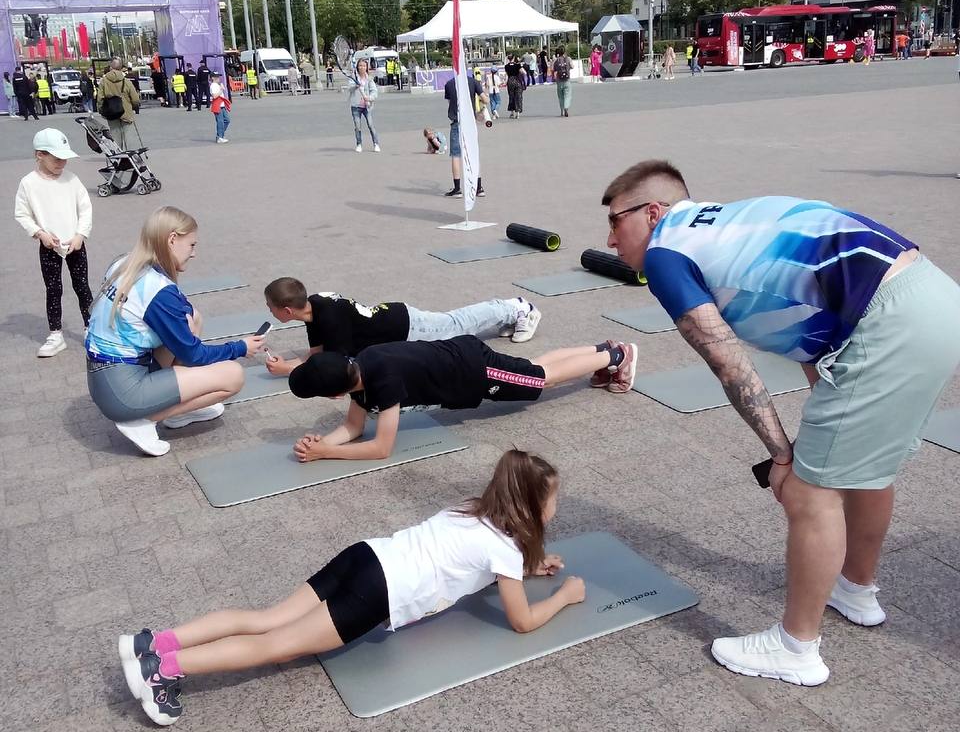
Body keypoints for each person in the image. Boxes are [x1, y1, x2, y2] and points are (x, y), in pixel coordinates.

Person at [601, 158, 960, 687]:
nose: (609, 239)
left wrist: (785, 456)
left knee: (808, 494)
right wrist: (819, 432)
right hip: (934, 298)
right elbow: (811, 323)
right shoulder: (729, 225)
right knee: (864, 470)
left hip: (889, 320)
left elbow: (727, 362)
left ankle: (796, 648)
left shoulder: (666, 253)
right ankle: (856, 591)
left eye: (615, 221)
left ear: (653, 212)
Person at [119, 448, 587, 726]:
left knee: (267, 619)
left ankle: (153, 643)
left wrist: (530, 567)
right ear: (528, 504)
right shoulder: (504, 551)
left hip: (364, 555)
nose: (556, 506)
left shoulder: (472, 509)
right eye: (553, 498)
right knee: (277, 646)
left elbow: (474, 560)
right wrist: (565, 597)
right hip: (378, 592)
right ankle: (162, 671)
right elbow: (522, 621)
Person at [285, 332, 638, 463]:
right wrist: (319, 444)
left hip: (475, 372)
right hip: (463, 355)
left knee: (539, 381)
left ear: (333, 393)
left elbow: (381, 448)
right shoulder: (361, 365)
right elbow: (352, 426)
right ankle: (602, 348)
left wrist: (328, 452)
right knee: (534, 366)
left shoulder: (383, 380)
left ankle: (617, 358)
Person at [84, 206, 267, 457]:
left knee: (193, 318)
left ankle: (182, 411)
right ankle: (145, 419)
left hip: (105, 378)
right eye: (191, 245)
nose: (194, 253)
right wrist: (241, 347)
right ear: (172, 240)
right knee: (233, 376)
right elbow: (193, 355)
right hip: (122, 394)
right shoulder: (159, 291)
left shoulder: (124, 262)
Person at [262, 277, 542, 376]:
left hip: (408, 326)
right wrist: (288, 362)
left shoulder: (329, 319)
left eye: (270, 307)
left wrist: (287, 368)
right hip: (396, 317)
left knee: (458, 324)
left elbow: (332, 363)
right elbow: (317, 352)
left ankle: (519, 308)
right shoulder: (313, 307)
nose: (268, 311)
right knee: (457, 323)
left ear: (286, 310)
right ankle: (508, 316)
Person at [14, 127, 93, 358]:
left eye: (64, 159)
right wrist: (40, 233)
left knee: (82, 287)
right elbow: (22, 214)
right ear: (40, 155)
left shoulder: (72, 180)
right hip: (49, 247)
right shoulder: (28, 183)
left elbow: (85, 208)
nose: (62, 163)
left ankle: (91, 328)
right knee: (53, 289)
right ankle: (56, 334)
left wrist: (80, 234)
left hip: (75, 244)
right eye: (56, 159)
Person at [443, 70, 485, 196]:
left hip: (457, 122)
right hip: (470, 123)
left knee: (456, 155)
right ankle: (479, 187)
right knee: (473, 154)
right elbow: (485, 99)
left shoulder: (449, 84)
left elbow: (451, 104)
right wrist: (481, 109)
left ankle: (457, 188)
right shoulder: (474, 82)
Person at [96, 57, 140, 150]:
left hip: (111, 111)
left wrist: (101, 110)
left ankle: (117, 157)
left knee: (115, 135)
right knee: (128, 136)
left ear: (110, 67)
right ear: (121, 68)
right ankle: (131, 157)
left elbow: (100, 99)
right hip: (126, 112)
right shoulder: (126, 81)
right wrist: (134, 106)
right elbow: (135, 99)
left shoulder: (104, 81)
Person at [348, 57, 380, 152]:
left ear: (367, 67)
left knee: (370, 125)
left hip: (367, 106)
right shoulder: (354, 77)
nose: (362, 67)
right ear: (357, 67)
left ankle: (376, 144)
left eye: (364, 66)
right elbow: (349, 88)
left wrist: (369, 98)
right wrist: (355, 86)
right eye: (360, 65)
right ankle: (359, 144)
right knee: (357, 126)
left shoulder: (369, 79)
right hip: (356, 106)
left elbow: (374, 91)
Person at [209, 74, 231, 143]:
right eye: (216, 77)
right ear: (213, 78)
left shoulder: (217, 85)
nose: (218, 78)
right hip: (217, 105)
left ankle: (220, 134)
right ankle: (220, 137)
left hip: (222, 105)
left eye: (218, 76)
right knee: (220, 122)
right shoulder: (213, 85)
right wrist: (221, 89)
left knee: (227, 120)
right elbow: (214, 96)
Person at [551, 46, 572, 117]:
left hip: (559, 80)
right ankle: (566, 107)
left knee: (560, 96)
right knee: (567, 95)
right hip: (567, 80)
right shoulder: (568, 59)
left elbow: (553, 69)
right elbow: (572, 66)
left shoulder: (556, 60)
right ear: (564, 51)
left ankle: (562, 111)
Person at [504, 52, 524, 119]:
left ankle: (512, 112)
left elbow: (507, 75)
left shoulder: (506, 66)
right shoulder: (518, 65)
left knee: (511, 96)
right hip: (517, 80)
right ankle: (517, 113)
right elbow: (523, 72)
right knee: (518, 97)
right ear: (514, 58)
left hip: (510, 81)